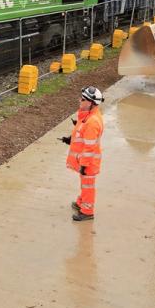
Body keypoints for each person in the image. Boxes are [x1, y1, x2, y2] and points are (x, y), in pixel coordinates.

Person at [59, 86, 104, 221]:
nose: (80, 100)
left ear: (90, 103)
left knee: (88, 186)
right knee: (84, 185)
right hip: (86, 161)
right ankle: (81, 203)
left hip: (88, 162)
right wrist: (70, 140)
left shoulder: (92, 122)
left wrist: (84, 165)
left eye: (83, 99)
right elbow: (81, 133)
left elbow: (89, 147)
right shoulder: (88, 116)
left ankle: (87, 211)